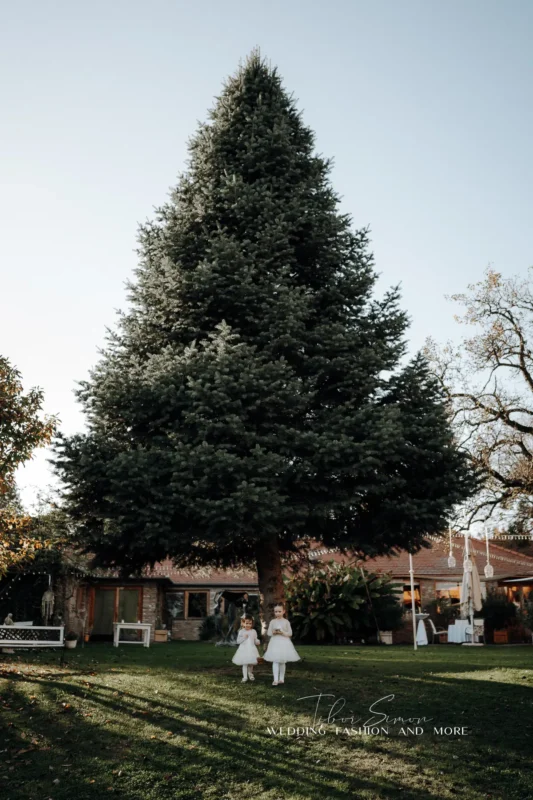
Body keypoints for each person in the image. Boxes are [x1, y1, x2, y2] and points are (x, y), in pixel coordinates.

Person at [263, 602, 300, 685]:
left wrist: (282, 632)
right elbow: (269, 632)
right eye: (276, 611)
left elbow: (290, 633)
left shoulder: (286, 622)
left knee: (282, 661)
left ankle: (281, 679)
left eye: (279, 611)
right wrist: (274, 632)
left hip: (284, 643)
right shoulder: (272, 621)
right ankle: (275, 679)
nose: (277, 613)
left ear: (283, 611)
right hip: (275, 643)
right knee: (275, 661)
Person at [231, 614, 261, 682]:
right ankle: (245, 677)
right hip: (243, 649)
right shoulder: (241, 632)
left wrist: (257, 641)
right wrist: (244, 637)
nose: (248, 625)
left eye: (250, 623)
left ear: (252, 624)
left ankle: (250, 674)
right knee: (245, 663)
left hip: (252, 649)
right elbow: (238, 641)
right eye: (246, 623)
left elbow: (255, 639)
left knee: (251, 664)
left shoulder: (253, 631)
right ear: (243, 623)